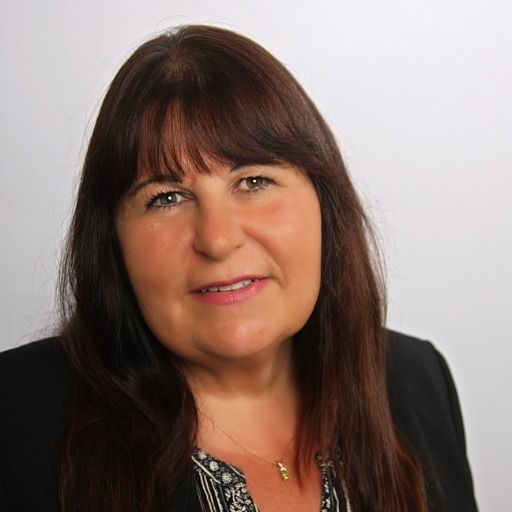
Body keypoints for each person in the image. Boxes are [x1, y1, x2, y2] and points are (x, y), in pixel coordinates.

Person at [0, 25, 478, 512]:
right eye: (166, 197)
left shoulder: (418, 382)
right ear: (112, 240)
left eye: (253, 181)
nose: (218, 238)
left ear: (323, 204)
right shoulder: (14, 417)